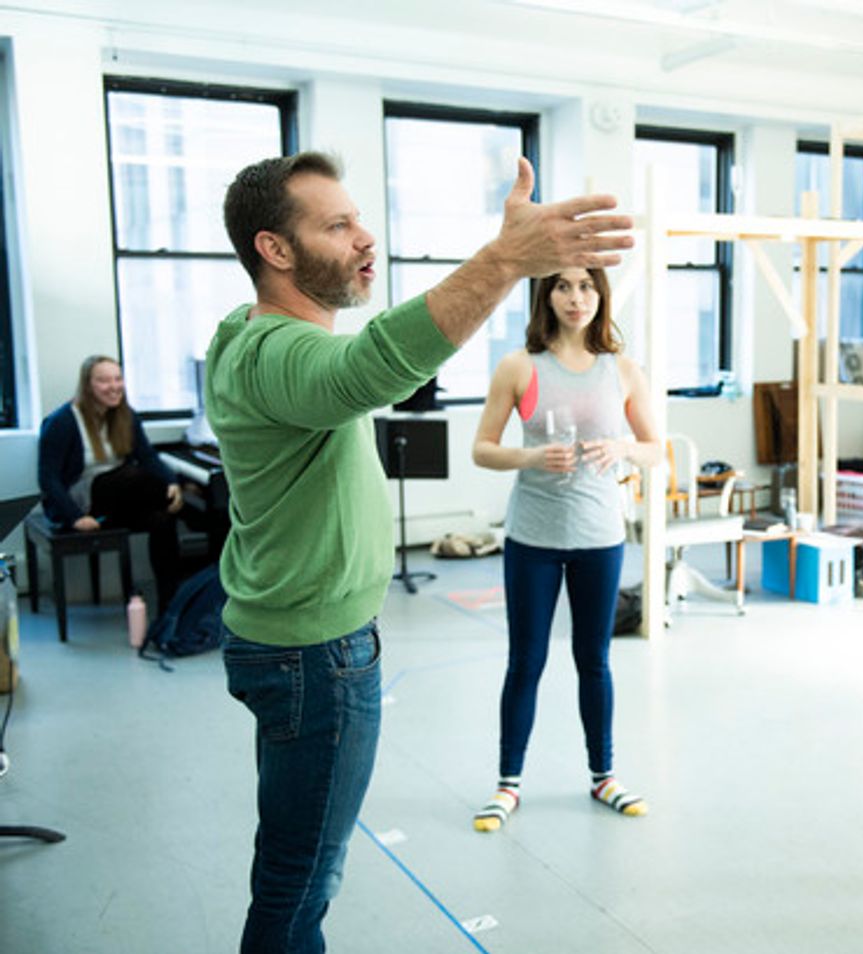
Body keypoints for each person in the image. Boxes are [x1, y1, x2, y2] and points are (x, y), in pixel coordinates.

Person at [208, 151, 631, 954]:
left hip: (293, 644)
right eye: (337, 225)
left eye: (358, 216)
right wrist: (507, 260)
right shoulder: (278, 356)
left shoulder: (243, 330)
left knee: (297, 869)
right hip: (315, 659)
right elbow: (372, 367)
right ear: (275, 250)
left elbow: (354, 357)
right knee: (302, 879)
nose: (366, 238)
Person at [470, 266, 662, 832]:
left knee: (594, 661)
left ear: (599, 294)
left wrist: (623, 447)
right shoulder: (519, 367)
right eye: (562, 286)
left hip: (600, 538)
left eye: (586, 286)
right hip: (532, 537)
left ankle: (604, 776)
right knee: (525, 661)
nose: (575, 297)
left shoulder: (622, 370)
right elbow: (482, 449)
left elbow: (655, 450)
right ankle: (508, 785)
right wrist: (530, 457)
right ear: (545, 295)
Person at [37, 355, 186, 611]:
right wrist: (74, 517)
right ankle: (188, 507)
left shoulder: (126, 416)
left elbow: (147, 456)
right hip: (83, 500)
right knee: (130, 475)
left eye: (118, 379)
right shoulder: (62, 421)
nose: (114, 386)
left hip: (120, 498)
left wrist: (171, 482)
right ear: (87, 385)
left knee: (163, 518)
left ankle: (169, 604)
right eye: (104, 381)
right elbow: (47, 478)